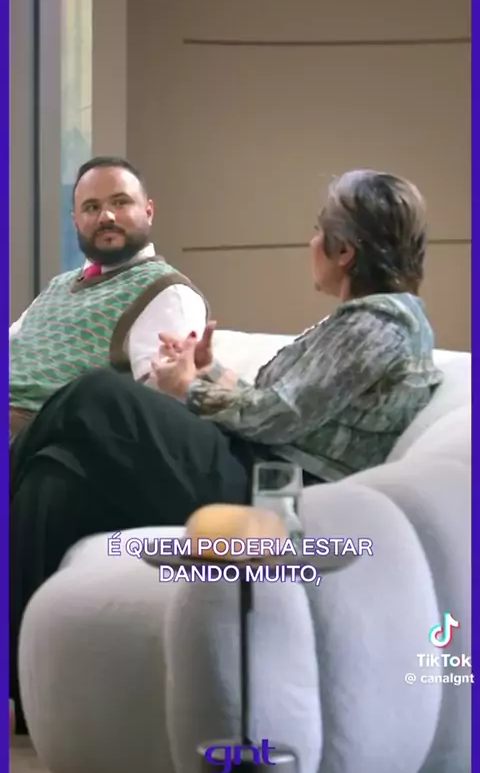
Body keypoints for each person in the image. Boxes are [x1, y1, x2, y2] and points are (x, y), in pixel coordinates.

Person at [10, 169, 443, 732]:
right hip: (256, 463)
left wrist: (191, 388)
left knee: (97, 395)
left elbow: (277, 415)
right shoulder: (363, 323)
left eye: (320, 231)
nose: (311, 242)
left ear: (344, 251)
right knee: (55, 478)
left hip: (276, 491)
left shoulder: (379, 324)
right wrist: (208, 371)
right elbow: (279, 403)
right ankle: (26, 697)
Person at [9, 156, 209, 441]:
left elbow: (159, 408)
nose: (106, 217)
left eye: (120, 202)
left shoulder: (165, 291)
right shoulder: (58, 285)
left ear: (148, 211)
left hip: (38, 437)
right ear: (75, 221)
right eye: (91, 207)